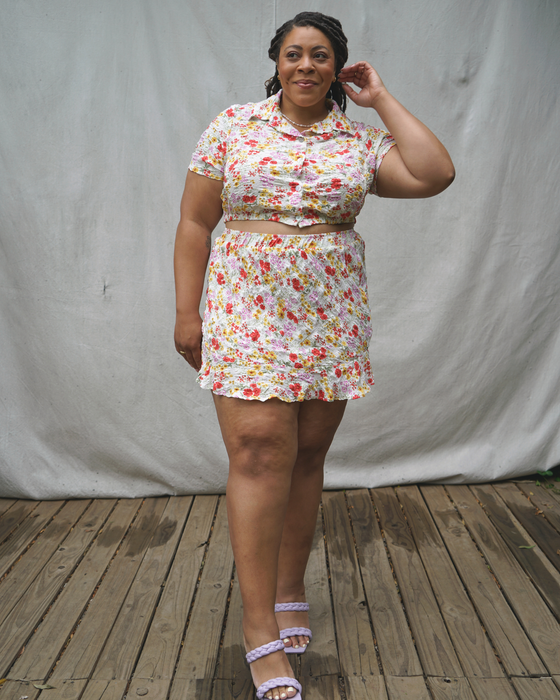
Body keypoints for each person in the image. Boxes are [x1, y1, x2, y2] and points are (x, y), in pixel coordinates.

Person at [174, 11, 454, 700]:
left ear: (338, 67)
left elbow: (435, 173)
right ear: (276, 63)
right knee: (258, 453)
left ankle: (289, 587)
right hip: (245, 308)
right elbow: (195, 221)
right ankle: (258, 625)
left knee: (304, 457)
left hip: (328, 317)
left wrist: (379, 98)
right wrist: (186, 311)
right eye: (294, 53)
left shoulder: (358, 142)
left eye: (320, 55)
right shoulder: (234, 126)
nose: (306, 65)